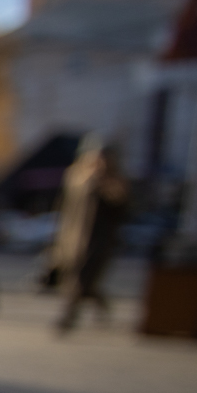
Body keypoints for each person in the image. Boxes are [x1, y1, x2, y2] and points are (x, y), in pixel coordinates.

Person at [53, 139, 129, 333]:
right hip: (73, 237)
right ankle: (101, 305)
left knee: (81, 279)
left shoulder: (113, 181)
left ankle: (67, 318)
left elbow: (122, 208)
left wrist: (107, 183)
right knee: (78, 280)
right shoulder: (76, 177)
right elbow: (65, 207)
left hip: (99, 240)